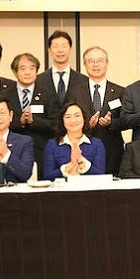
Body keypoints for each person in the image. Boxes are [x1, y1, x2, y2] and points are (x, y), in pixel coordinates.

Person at [65, 46, 125, 175]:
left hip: (113, 153)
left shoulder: (120, 91)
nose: (96, 64)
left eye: (100, 60)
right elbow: (67, 119)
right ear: (85, 65)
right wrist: (87, 125)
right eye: (91, 61)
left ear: (107, 63)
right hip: (83, 153)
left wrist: (111, 123)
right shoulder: (75, 91)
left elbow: (125, 121)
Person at [1, 53, 59, 179]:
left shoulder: (48, 95)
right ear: (15, 72)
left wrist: (34, 121)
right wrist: (20, 122)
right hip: (11, 151)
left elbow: (55, 124)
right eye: (23, 68)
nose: (27, 72)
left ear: (37, 72)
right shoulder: (5, 96)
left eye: (32, 68)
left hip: (40, 152)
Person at [42, 103, 106, 180]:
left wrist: (81, 162)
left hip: (89, 189)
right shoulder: (52, 144)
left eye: (77, 115)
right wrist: (68, 167)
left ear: (84, 118)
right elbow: (47, 175)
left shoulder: (96, 144)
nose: (73, 120)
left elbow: (100, 174)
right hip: (62, 190)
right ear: (62, 121)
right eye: (68, 117)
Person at [35, 30, 89, 108]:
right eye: (55, 46)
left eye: (64, 46)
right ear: (49, 50)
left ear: (70, 49)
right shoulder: (38, 80)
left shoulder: (83, 81)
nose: (60, 50)